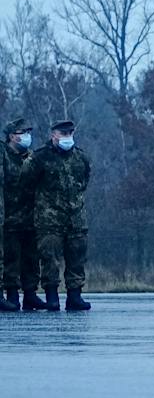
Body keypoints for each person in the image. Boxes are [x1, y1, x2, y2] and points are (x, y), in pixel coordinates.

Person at [21, 118, 91, 311]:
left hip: (76, 218)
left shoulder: (80, 157)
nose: (68, 138)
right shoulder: (40, 158)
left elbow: (84, 182)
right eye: (63, 134)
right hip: (49, 219)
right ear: (54, 136)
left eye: (70, 134)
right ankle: (52, 297)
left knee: (76, 258)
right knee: (49, 258)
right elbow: (27, 183)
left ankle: (74, 297)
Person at [2, 118, 42, 310]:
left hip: (30, 216)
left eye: (28, 133)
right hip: (10, 217)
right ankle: (11, 294)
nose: (27, 137)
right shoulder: (4, 156)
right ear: (12, 136)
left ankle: (30, 294)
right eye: (22, 133)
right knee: (11, 258)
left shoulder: (31, 157)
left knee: (31, 258)